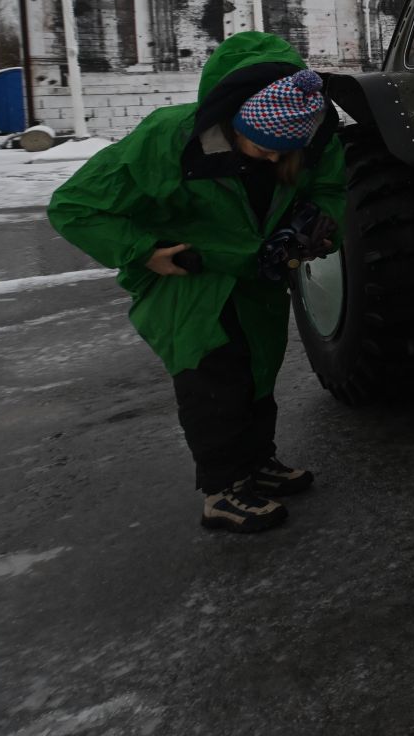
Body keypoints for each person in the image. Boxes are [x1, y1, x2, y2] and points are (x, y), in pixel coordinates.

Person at [49, 32, 345, 534]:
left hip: (256, 280)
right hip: (189, 282)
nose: (275, 161)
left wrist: (314, 226)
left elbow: (331, 189)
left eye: (286, 152)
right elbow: (74, 206)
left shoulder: (312, 135)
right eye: (264, 148)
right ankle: (223, 490)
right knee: (213, 382)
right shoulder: (171, 138)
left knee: (257, 374)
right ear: (233, 121)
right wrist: (143, 252)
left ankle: (257, 464)